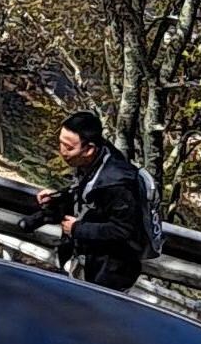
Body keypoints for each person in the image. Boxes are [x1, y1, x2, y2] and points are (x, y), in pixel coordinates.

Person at [35, 106, 156, 291]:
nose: (62, 151)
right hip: (90, 261)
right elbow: (90, 198)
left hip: (109, 273)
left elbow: (124, 230)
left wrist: (78, 228)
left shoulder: (117, 183)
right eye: (60, 143)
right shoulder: (97, 160)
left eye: (68, 147)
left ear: (89, 149)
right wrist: (58, 198)